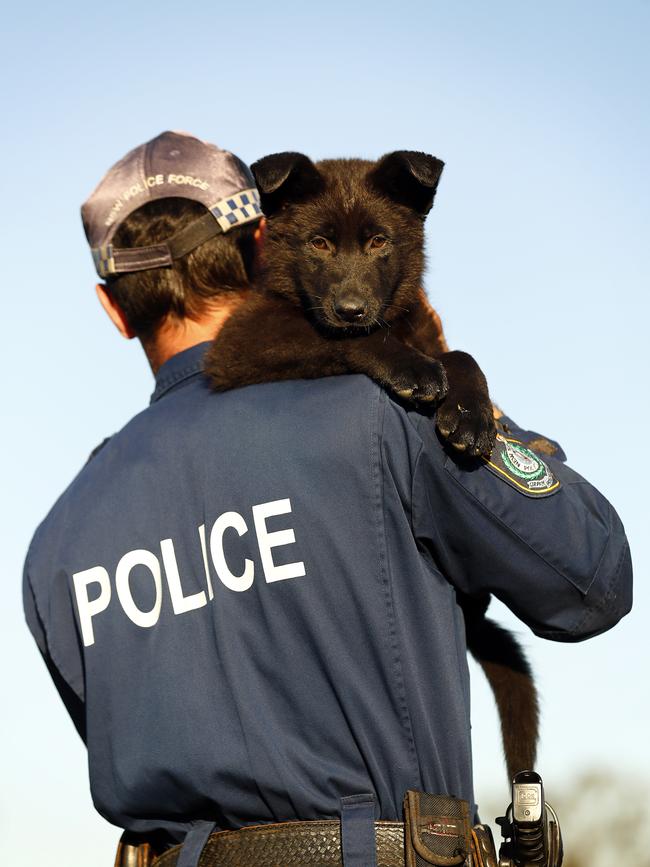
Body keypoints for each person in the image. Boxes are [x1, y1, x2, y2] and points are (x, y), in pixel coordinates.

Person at [23, 131, 632, 867]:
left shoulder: (57, 543)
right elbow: (594, 577)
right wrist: (470, 402)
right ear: (260, 247)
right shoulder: (383, 414)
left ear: (113, 309)